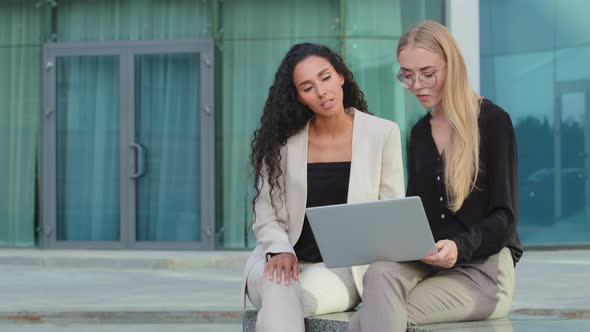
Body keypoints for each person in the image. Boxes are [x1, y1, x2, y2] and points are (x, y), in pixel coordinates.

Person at [349, 21, 523, 331]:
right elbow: (419, 214)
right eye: (407, 75)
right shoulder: (418, 134)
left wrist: (459, 247)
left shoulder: (494, 122)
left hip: (484, 272)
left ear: (452, 66)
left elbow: (504, 217)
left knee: (366, 321)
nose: (416, 84)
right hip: (430, 264)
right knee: (377, 272)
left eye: (427, 74)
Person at [240, 43, 405, 332]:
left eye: (325, 77)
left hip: (341, 270)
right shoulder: (282, 143)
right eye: (307, 87)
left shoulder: (382, 133)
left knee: (285, 301)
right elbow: (265, 215)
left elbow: (390, 213)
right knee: (279, 285)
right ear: (299, 97)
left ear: (341, 76)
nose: (321, 91)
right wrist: (280, 251)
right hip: (279, 259)